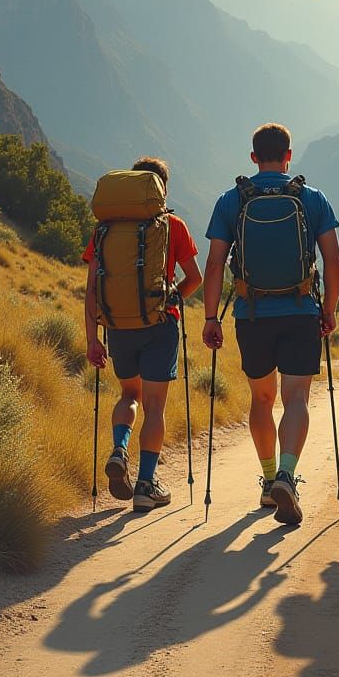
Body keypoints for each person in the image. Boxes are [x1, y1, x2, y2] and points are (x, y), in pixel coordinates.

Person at [202, 123, 339, 526]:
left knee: (261, 400)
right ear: (289, 155)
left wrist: (212, 317)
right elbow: (333, 261)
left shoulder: (232, 200)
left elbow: (214, 264)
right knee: (296, 398)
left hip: (251, 315)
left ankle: (268, 481)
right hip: (301, 312)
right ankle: (286, 474)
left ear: (253, 158)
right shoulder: (311, 198)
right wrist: (328, 310)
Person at [84, 157, 203, 512]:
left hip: (119, 327)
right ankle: (145, 484)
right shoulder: (172, 225)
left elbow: (91, 289)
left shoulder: (104, 230)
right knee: (154, 405)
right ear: (161, 188)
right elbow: (194, 277)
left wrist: (92, 338)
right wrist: (172, 297)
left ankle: (120, 449)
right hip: (159, 325)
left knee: (129, 395)